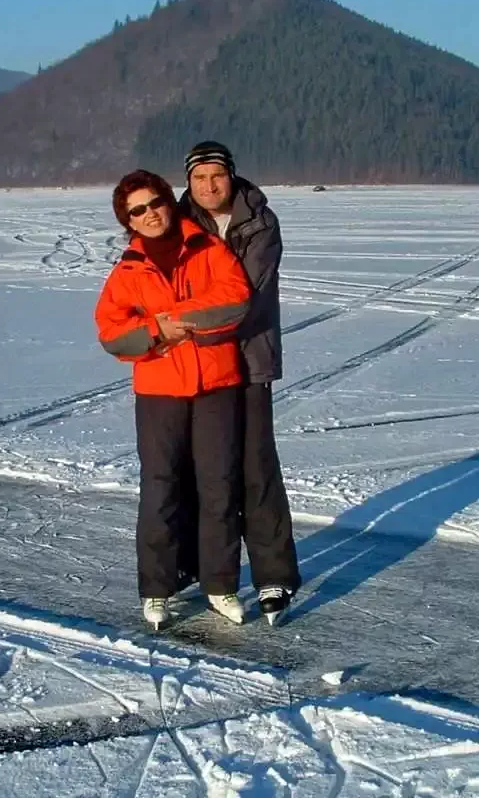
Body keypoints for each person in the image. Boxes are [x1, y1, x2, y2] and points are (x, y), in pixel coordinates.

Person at [94, 169, 253, 630]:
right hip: (159, 391)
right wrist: (154, 330)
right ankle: (157, 589)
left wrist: (176, 318)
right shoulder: (128, 269)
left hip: (216, 385)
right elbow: (110, 332)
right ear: (128, 221)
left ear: (168, 201)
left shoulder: (208, 247)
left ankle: (220, 585)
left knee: (219, 487)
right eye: (137, 211)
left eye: (155, 203)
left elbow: (235, 298)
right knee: (160, 489)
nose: (149, 214)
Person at [179, 141, 302, 625]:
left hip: (248, 361)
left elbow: (241, 296)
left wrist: (185, 318)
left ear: (231, 176)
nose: (209, 186)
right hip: (197, 365)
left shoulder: (260, 223)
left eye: (217, 175)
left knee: (256, 467)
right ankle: (198, 567)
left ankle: (274, 574)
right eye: (199, 178)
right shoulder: (178, 223)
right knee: (199, 471)